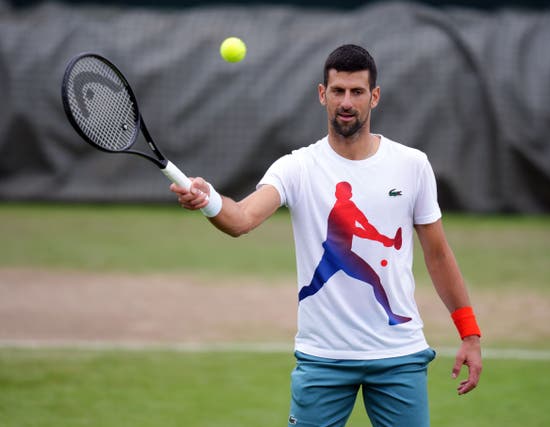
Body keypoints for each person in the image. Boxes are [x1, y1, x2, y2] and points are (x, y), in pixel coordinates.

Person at [171, 44, 482, 427]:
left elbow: (438, 255)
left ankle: (387, 314)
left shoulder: (412, 165)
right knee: (340, 278)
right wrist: (209, 200)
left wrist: (469, 333)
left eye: (357, 92)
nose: (346, 102)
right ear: (323, 95)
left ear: (375, 96)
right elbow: (242, 219)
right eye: (338, 91)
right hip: (323, 358)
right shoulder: (298, 167)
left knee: (365, 279)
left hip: (399, 356)